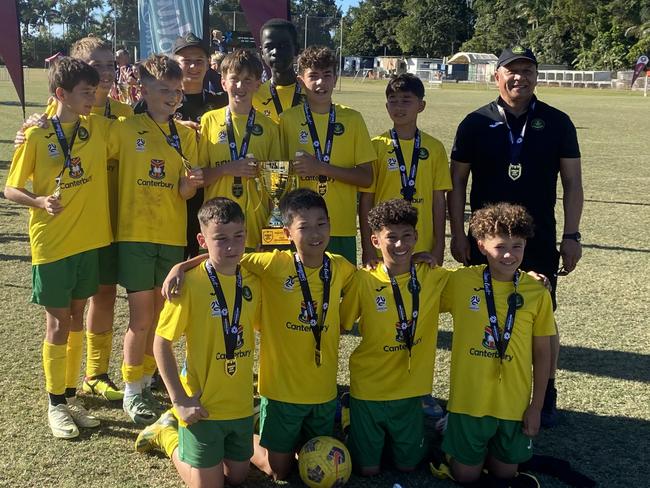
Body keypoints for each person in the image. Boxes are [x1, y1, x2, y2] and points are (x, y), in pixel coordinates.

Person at [155, 189, 356, 481]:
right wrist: (181, 265)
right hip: (256, 394)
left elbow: (371, 275)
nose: (314, 233)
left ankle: (241, 442)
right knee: (274, 472)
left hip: (304, 394)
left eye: (321, 224)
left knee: (239, 477)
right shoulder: (272, 265)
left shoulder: (340, 267)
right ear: (288, 233)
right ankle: (168, 436)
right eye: (304, 226)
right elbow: (219, 261)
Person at [447, 46, 583, 427]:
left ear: (537, 76)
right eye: (512, 70)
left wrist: (572, 235)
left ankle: (546, 392)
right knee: (484, 314)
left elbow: (572, 182)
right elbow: (457, 182)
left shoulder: (558, 122)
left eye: (527, 70)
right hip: (485, 240)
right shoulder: (474, 122)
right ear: (497, 76)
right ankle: (486, 388)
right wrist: (457, 233)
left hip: (536, 241)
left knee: (542, 320)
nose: (519, 77)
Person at [13, 36, 133, 402]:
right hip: (65, 231)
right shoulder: (46, 123)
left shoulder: (120, 114)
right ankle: (61, 395)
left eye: (111, 65)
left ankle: (92, 376)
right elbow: (19, 177)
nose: (107, 74)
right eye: (97, 67)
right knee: (67, 313)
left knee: (102, 297)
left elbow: (147, 134)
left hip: (113, 222)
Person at [4, 57, 113, 438]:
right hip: (51, 243)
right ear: (61, 94)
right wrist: (39, 202)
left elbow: (137, 130)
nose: (93, 98)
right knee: (57, 321)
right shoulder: (36, 135)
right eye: (86, 92)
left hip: (89, 241)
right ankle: (55, 404)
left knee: (79, 313)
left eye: (95, 91)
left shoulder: (95, 129)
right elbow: (10, 188)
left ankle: (69, 395)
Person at [136, 198, 261, 487]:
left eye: (238, 236)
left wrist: (184, 262)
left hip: (241, 405)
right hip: (201, 407)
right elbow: (161, 344)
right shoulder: (189, 284)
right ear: (202, 240)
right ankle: (166, 435)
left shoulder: (254, 277)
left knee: (238, 478)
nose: (231, 246)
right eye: (221, 239)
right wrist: (180, 401)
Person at [108, 54, 202, 425]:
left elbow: (183, 193)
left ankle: (146, 380)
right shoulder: (123, 129)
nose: (172, 96)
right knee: (141, 318)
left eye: (177, 91)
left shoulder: (185, 134)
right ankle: (132, 390)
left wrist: (188, 185)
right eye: (164, 89)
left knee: (163, 316)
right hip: (135, 235)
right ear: (143, 89)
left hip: (171, 236)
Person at [439, 203, 553, 485]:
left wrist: (536, 407)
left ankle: (471, 444)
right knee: (465, 477)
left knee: (505, 474)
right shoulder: (461, 281)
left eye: (517, 246)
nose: (509, 254)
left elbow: (542, 353)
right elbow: (419, 288)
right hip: (469, 401)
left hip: (513, 405)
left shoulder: (536, 292)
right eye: (500, 246)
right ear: (481, 245)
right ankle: (451, 433)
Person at [340, 199, 450, 475]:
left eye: (407, 236)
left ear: (416, 237)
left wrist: (529, 276)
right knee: (368, 471)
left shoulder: (432, 276)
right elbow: (342, 323)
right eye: (391, 238)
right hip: (369, 388)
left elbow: (480, 280)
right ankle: (348, 417)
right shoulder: (363, 280)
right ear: (375, 241)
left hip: (410, 391)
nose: (400, 245)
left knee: (408, 467)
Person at [133, 32, 228, 259]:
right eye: (186, 61)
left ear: (208, 65)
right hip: (169, 195)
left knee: (204, 261)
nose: (193, 66)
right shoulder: (151, 103)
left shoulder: (221, 102)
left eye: (199, 61)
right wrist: (173, 126)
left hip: (208, 193)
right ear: (175, 63)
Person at [279, 46, 376, 264]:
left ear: (335, 78)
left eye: (327, 75)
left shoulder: (353, 119)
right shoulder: (286, 120)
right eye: (313, 76)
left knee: (340, 292)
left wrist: (321, 168)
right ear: (301, 81)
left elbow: (366, 178)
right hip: (299, 229)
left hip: (341, 228)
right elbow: (278, 180)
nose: (320, 83)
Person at [360, 73, 451, 268]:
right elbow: (367, 199)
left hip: (423, 244)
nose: (399, 107)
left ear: (421, 105)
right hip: (385, 243)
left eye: (406, 100)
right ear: (386, 106)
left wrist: (439, 245)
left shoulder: (435, 148)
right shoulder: (376, 146)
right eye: (393, 101)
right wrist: (367, 247)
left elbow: (438, 201)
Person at [199, 49, 280, 251]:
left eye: (247, 80)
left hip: (255, 229)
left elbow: (277, 189)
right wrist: (227, 169)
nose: (240, 86)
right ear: (223, 82)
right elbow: (199, 178)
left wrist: (272, 235)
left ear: (257, 84)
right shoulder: (209, 121)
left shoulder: (270, 127)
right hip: (217, 232)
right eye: (234, 79)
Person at [253, 19, 302, 123]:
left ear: (296, 49)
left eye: (283, 46)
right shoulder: (254, 95)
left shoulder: (311, 93)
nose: (275, 52)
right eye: (269, 47)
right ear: (262, 53)